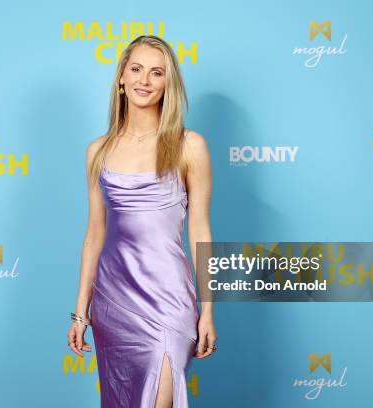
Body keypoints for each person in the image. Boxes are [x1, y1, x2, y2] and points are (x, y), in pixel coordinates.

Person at [67, 34, 216, 408]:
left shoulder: (188, 145)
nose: (144, 81)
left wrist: (208, 310)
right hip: (114, 301)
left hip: (169, 300)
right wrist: (80, 312)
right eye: (136, 70)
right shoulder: (97, 151)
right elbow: (94, 234)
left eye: (156, 73)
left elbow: (200, 232)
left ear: (169, 83)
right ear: (121, 77)